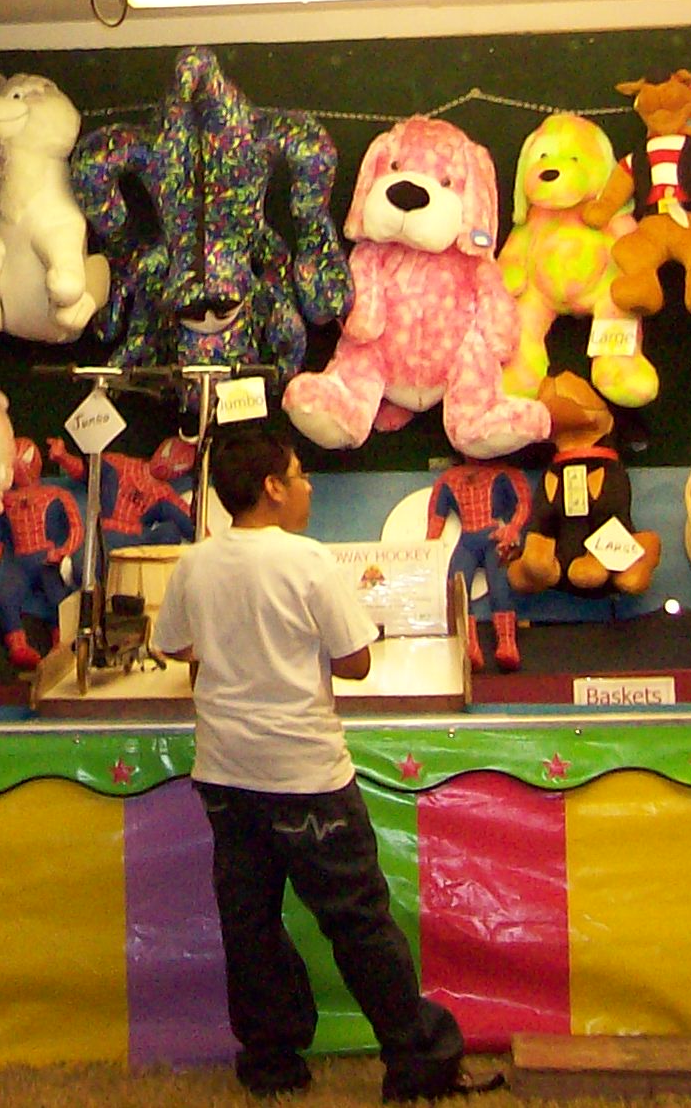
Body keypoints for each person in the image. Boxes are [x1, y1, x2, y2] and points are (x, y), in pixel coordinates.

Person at [152, 422, 499, 1102]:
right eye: (303, 475)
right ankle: (417, 1061)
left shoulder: (195, 562)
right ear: (273, 487)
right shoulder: (309, 561)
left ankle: (272, 1066)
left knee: (249, 923)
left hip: (225, 774)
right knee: (358, 918)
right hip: (305, 774)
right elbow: (356, 660)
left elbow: (175, 647)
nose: (309, 488)